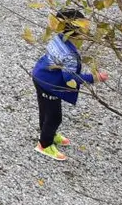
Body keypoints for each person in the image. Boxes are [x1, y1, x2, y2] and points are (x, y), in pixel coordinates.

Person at [31, 8, 107, 161]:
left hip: (40, 75)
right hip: (49, 84)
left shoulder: (58, 38)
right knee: (54, 117)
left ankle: (47, 132)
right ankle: (44, 144)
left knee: (45, 109)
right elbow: (70, 78)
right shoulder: (70, 55)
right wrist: (94, 77)